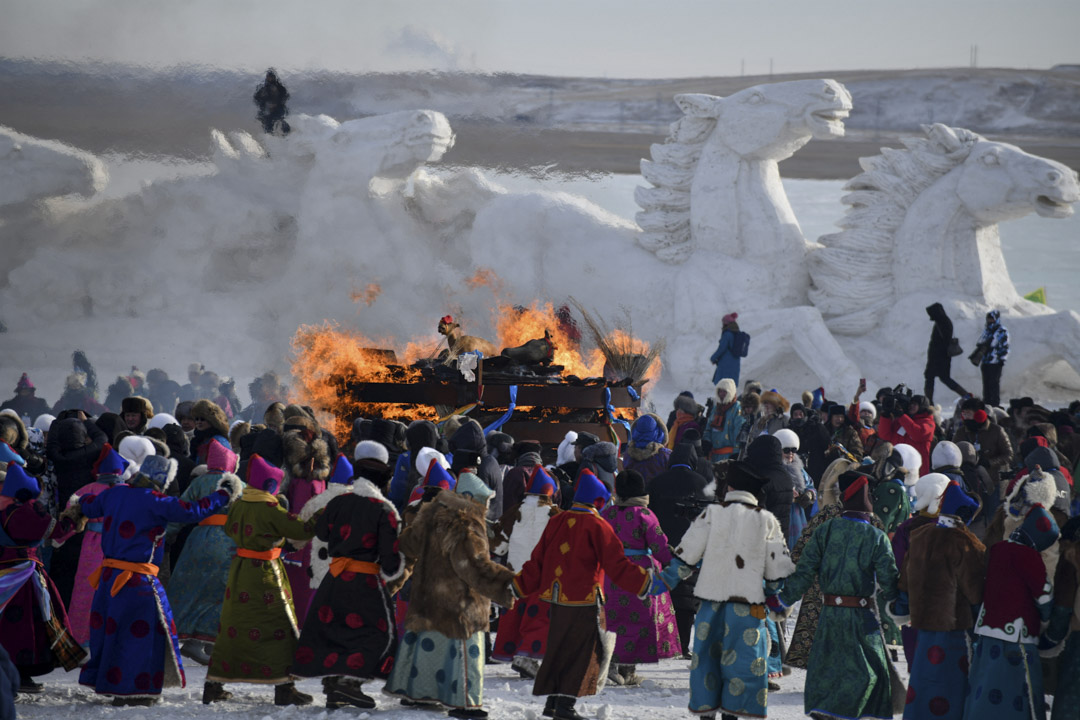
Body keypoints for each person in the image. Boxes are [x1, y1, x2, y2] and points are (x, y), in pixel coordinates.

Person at [74, 452, 238, 706]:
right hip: (137, 580)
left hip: (108, 580)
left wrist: (79, 502)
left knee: (112, 631)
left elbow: (88, 505)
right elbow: (194, 510)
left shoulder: (114, 493)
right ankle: (134, 691)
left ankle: (113, 685)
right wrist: (225, 493)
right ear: (162, 480)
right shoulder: (158, 501)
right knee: (141, 635)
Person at [513, 470, 654, 720]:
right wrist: (642, 581)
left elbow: (538, 561)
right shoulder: (597, 525)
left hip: (555, 600)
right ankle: (565, 707)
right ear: (599, 501)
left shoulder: (556, 520)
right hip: (585, 600)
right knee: (582, 654)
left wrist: (519, 585)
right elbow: (617, 564)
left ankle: (553, 703)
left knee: (558, 649)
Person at [661, 460, 795, 720]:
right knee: (742, 665)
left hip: (711, 605)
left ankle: (707, 714)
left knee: (707, 663)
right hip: (749, 608)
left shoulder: (711, 515)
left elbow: (684, 558)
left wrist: (662, 582)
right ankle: (731, 715)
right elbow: (779, 571)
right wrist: (775, 597)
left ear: (730, 486)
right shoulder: (766, 521)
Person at [768, 470, 902, 720]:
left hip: (828, 615)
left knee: (826, 671)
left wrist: (782, 601)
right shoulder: (876, 536)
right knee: (870, 674)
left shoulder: (825, 530)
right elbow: (888, 581)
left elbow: (803, 573)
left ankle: (827, 712)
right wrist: (901, 602)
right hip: (862, 618)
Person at [384, 465, 515, 719]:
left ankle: (419, 693)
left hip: (428, 598)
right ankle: (464, 702)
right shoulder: (468, 524)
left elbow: (406, 544)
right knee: (465, 654)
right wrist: (506, 583)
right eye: (485, 501)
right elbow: (474, 566)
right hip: (460, 603)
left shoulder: (431, 515)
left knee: (429, 647)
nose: (486, 507)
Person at [292, 440, 403, 710]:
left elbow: (321, 534)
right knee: (377, 634)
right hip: (365, 583)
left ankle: (333, 683)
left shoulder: (338, 501)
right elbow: (390, 563)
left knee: (335, 628)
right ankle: (349, 684)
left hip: (335, 579)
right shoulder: (385, 510)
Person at [203, 455, 319, 707]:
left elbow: (229, 529)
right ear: (271, 485)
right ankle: (284, 688)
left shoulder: (239, 504)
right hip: (266, 573)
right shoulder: (270, 509)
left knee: (233, 627)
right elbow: (302, 530)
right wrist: (321, 512)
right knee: (280, 626)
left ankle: (213, 685)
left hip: (241, 571)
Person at [892, 481, 983, 720]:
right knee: (950, 688)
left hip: (924, 628)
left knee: (924, 683)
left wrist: (901, 607)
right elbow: (975, 592)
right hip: (954, 630)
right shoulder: (964, 543)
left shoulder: (919, 536)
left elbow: (904, 582)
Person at [962, 503, 1058, 720]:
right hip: (1017, 634)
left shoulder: (998, 549)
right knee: (1018, 692)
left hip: (987, 631)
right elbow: (1043, 596)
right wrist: (1047, 619)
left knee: (984, 685)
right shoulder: (1029, 556)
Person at [0, 465, 86, 694]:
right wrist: (74, 517)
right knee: (27, 626)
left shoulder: (3, 508)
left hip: (2, 572)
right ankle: (18, 674)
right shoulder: (26, 510)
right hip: (23, 575)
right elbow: (56, 531)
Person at [600, 470, 680, 686]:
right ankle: (628, 671)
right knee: (636, 621)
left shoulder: (607, 514)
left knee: (612, 619)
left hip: (611, 573)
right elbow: (660, 547)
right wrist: (676, 562)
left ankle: (610, 666)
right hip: (640, 576)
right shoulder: (645, 515)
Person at [167, 439, 241, 666]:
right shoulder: (238, 484)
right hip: (228, 543)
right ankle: (210, 640)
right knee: (221, 592)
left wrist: (166, 533)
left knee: (193, 588)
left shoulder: (199, 483)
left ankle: (190, 637)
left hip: (198, 540)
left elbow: (181, 509)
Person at [491, 466, 562, 679]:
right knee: (538, 617)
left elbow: (498, 547)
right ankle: (528, 656)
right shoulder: (554, 514)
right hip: (541, 575)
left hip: (515, 574)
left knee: (514, 616)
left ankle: (510, 652)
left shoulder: (514, 512)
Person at [646, 442, 709, 656]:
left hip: (661, 546)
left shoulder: (656, 482)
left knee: (662, 593)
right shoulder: (701, 482)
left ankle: (660, 641)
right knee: (686, 598)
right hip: (691, 547)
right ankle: (682, 645)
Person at [924, 302, 969, 402]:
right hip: (938, 357)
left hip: (939, 358)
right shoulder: (942, 321)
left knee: (938, 378)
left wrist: (936, 353)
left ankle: (928, 402)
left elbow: (944, 341)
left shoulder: (943, 322)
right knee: (939, 378)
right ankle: (966, 396)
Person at [972, 309, 1009, 408]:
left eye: (992, 319)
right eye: (989, 318)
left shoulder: (1002, 330)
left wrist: (1002, 359)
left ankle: (995, 404)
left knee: (994, 384)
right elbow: (980, 342)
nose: (990, 321)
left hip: (995, 362)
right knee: (986, 383)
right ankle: (987, 403)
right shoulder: (987, 330)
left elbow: (1005, 346)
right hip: (985, 361)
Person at [622, 414, 671, 486]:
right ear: (659, 432)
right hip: (659, 496)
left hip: (635, 496)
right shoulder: (666, 455)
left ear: (635, 431)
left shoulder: (628, 455)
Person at [702, 379, 743, 462]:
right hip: (713, 455)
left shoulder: (737, 409)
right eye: (720, 391)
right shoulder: (716, 409)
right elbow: (708, 428)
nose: (721, 394)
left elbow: (739, 432)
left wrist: (736, 452)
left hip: (729, 455)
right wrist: (706, 441)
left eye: (725, 392)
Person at [710, 312, 743, 387]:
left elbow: (722, 348)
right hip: (735, 362)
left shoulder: (727, 334)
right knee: (731, 385)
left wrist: (713, 358)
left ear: (726, 323)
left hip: (726, 363)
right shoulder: (737, 333)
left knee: (722, 385)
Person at [254, 69, 290, 135]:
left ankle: (286, 133)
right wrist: (264, 104)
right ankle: (269, 134)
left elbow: (285, 96)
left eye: (271, 77)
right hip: (266, 109)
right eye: (268, 77)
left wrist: (277, 104)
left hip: (278, 108)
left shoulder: (280, 87)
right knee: (266, 120)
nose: (269, 78)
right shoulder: (263, 88)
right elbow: (257, 98)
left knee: (279, 119)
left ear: (274, 77)